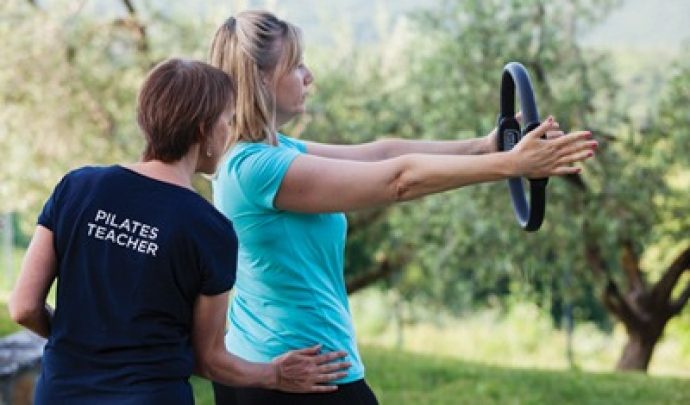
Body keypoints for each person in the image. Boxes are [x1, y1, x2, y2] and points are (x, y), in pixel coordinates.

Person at [208, 10, 598, 405]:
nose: (309, 76)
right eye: (296, 66)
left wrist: (483, 147)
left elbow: (384, 153)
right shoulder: (257, 168)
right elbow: (398, 180)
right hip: (305, 376)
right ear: (259, 78)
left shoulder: (266, 152)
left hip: (275, 364)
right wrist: (512, 165)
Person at [8, 58, 350, 405]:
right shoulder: (208, 228)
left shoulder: (76, 187)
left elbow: (23, 306)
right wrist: (275, 374)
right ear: (204, 130)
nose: (230, 132)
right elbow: (210, 358)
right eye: (228, 120)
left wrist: (78, 344)